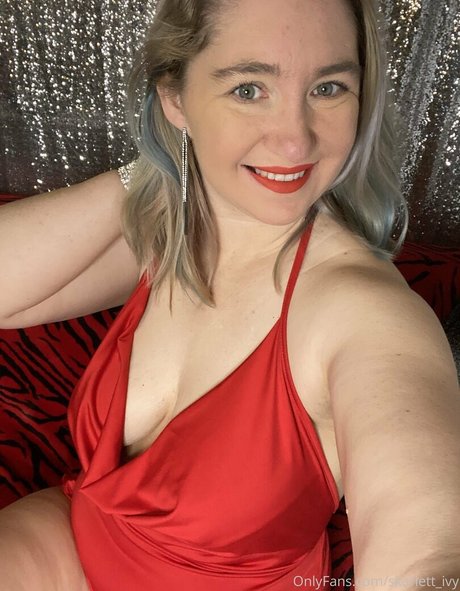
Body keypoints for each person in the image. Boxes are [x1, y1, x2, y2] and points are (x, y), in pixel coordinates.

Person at [0, 0, 459, 589]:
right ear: (175, 97)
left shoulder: (365, 312)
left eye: (328, 88)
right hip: (76, 535)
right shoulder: (175, 235)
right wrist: (156, 169)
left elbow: (425, 552)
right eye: (249, 89)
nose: (294, 141)